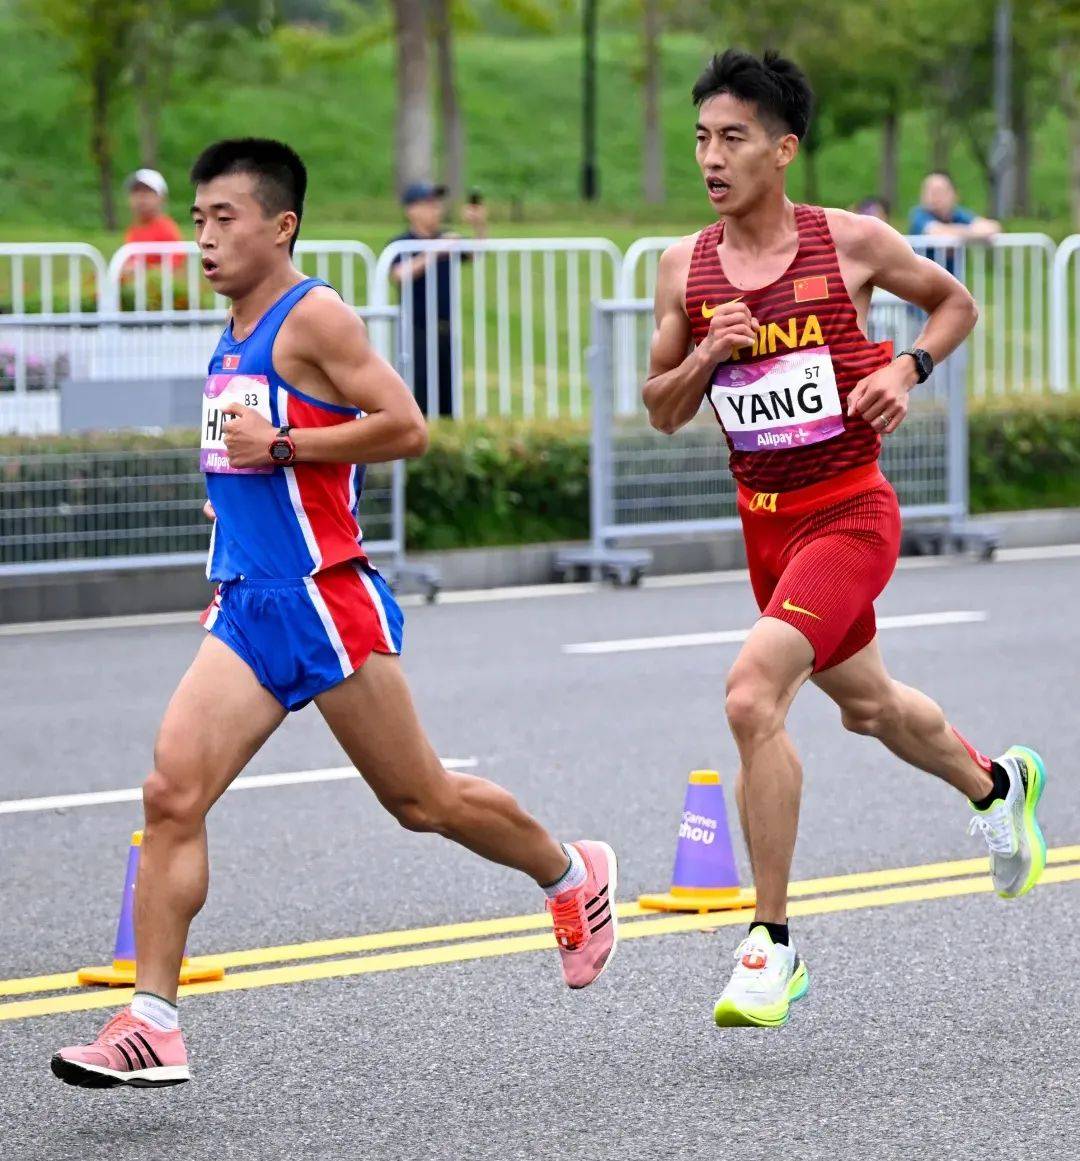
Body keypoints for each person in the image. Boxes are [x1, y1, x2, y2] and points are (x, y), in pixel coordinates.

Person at [51, 139, 617, 1090]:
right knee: (170, 795)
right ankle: (153, 1022)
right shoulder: (232, 330)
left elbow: (406, 426)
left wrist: (279, 448)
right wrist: (235, 490)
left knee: (421, 801)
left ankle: (571, 872)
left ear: (282, 225)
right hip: (247, 604)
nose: (204, 238)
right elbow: (255, 454)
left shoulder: (314, 314)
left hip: (323, 596)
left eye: (223, 218)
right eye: (195, 219)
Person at [642, 50, 1046, 1030]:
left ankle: (772, 948)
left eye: (733, 137)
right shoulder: (682, 267)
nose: (712, 156)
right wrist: (707, 351)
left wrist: (907, 368)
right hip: (764, 530)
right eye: (701, 137)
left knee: (751, 697)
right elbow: (658, 409)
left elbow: (956, 302)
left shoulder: (851, 244)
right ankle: (999, 785)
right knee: (869, 708)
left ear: (784, 150)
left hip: (849, 514)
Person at [389, 182, 487, 418]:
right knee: (418, 393)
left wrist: (478, 225)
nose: (436, 210)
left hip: (445, 329)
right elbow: (398, 274)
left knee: (447, 396)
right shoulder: (401, 243)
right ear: (411, 210)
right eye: (428, 204)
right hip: (416, 331)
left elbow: (476, 253)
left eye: (437, 204)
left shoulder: (448, 239)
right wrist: (434, 251)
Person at [909, 172, 1000, 240]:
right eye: (929, 191)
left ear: (954, 194)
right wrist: (971, 233)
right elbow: (936, 232)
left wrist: (957, 232)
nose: (934, 196)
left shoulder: (958, 214)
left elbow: (992, 228)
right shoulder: (919, 215)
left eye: (939, 191)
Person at [123, 168, 184, 268]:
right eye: (135, 192)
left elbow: (175, 266)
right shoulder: (132, 230)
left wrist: (144, 270)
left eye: (147, 192)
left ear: (161, 198)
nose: (140, 198)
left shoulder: (167, 229)